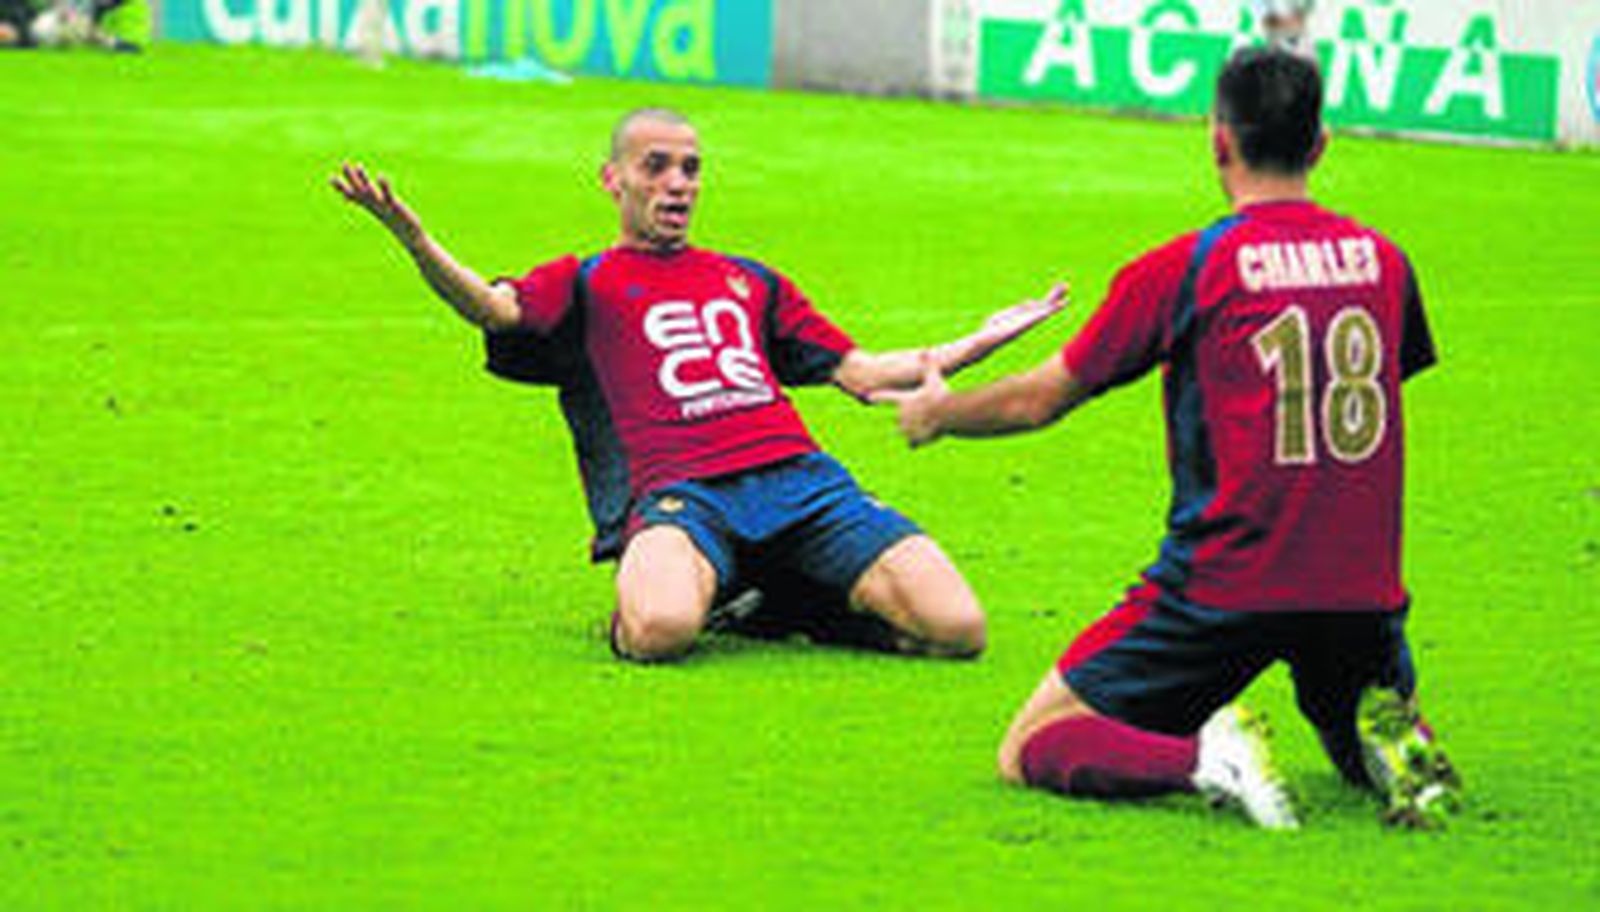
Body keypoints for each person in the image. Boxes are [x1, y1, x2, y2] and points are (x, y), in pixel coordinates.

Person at [876, 48, 1460, 829]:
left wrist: (938, 414)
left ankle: (1213, 756)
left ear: (1219, 140)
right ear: (1320, 143)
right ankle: (1400, 746)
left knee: (1032, 745)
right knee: (1357, 721)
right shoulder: (1386, 263)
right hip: (1362, 592)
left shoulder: (1189, 267)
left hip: (1222, 587)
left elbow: (1039, 399)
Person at [330, 108, 1064, 663]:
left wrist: (978, 339)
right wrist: (416, 240)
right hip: (683, 495)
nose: (678, 183)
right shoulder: (587, 279)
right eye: (657, 166)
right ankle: (720, 589)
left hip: (801, 483)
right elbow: (491, 309)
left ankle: (787, 602)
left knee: (959, 629)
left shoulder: (749, 278)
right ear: (613, 180)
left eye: (690, 168)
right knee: (659, 632)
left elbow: (868, 378)